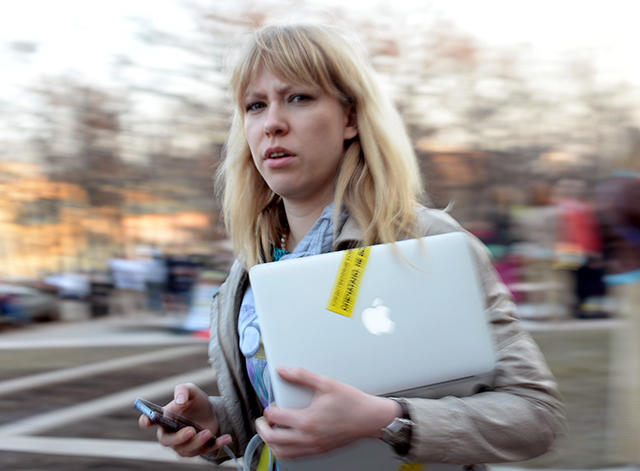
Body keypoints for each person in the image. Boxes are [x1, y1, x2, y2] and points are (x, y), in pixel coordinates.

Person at [139, 24, 565, 469]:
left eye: (298, 98)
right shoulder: (246, 272)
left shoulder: (426, 242)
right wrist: (218, 421)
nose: (272, 123)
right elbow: (283, 414)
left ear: (350, 118)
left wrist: (388, 421)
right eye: (255, 106)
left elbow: (535, 415)